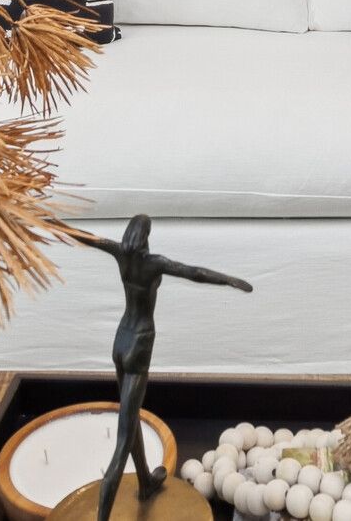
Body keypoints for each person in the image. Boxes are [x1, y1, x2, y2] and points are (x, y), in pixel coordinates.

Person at [68, 216, 252, 521]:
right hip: (140, 342)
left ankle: (145, 482)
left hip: (120, 340)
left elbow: (85, 237)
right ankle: (103, 516)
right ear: (146, 236)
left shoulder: (118, 252)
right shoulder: (153, 263)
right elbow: (194, 273)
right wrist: (230, 280)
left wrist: (52, 224)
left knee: (131, 414)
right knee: (123, 439)